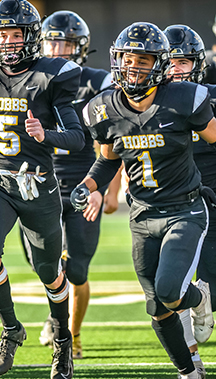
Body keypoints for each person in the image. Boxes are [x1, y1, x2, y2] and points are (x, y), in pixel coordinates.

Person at [70, 22, 216, 379]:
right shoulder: (102, 109)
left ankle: (198, 300)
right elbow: (107, 160)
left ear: (159, 64)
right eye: (128, 59)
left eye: (144, 60)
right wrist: (90, 185)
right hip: (142, 216)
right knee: (157, 305)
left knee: (170, 289)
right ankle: (188, 369)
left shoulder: (185, 99)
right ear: (116, 60)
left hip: (184, 209)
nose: (134, 67)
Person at [0, 1, 85, 378]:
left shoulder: (51, 75)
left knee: (50, 272)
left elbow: (77, 137)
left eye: (16, 33)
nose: (8, 41)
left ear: (30, 36)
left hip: (38, 185)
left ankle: (61, 342)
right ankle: (11, 329)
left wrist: (48, 134)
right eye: (2, 34)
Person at [21, 10, 120, 359]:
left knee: (76, 268)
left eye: (65, 42)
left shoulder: (98, 82)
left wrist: (109, 187)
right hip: (39, 180)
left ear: (81, 47)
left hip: (83, 181)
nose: (58, 48)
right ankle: (56, 315)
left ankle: (71, 334)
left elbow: (114, 138)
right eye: (52, 41)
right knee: (43, 264)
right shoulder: (33, 77)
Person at [164, 23, 216, 379]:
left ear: (197, 63)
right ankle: (192, 362)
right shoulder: (151, 100)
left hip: (212, 195)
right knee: (170, 284)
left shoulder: (210, 95)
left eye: (182, 62)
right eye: (169, 62)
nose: (175, 69)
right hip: (172, 200)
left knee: (210, 277)